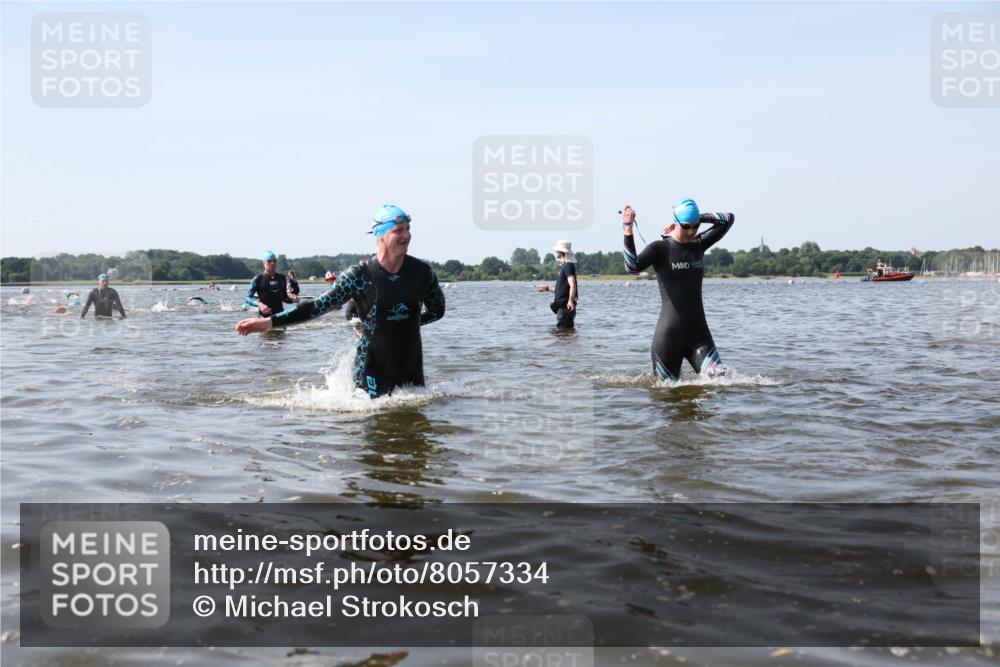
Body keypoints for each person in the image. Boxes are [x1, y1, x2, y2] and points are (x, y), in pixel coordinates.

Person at [236, 204, 446, 398]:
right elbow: (317, 306)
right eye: (398, 231)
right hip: (371, 369)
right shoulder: (358, 276)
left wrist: (403, 324)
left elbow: (437, 311)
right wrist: (270, 322)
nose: (406, 236)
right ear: (380, 235)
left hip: (411, 367)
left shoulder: (423, 273)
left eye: (408, 229)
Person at [622, 199, 734, 380]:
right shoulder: (659, 249)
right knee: (667, 398)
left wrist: (699, 217)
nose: (691, 231)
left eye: (695, 226)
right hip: (668, 339)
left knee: (721, 383)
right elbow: (631, 267)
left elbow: (728, 219)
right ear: (675, 223)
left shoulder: (699, 244)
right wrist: (628, 228)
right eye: (686, 226)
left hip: (700, 336)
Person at [535, 240, 578, 328]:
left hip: (566, 307)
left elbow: (572, 284)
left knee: (562, 334)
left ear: (561, 252)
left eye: (557, 250)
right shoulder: (565, 266)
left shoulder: (568, 265)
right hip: (563, 307)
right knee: (563, 335)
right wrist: (546, 288)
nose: (555, 252)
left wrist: (570, 301)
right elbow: (561, 289)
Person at [244, 251, 299, 316]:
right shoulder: (258, 279)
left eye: (274, 261)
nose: (272, 263)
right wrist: (259, 304)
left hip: (280, 316)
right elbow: (248, 298)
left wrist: (293, 300)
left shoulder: (282, 278)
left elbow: (284, 298)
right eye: (269, 261)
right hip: (264, 318)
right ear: (264, 263)